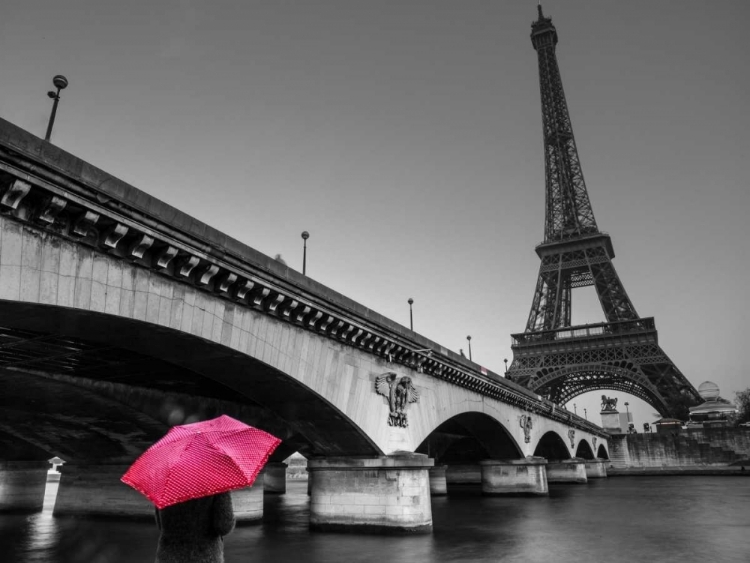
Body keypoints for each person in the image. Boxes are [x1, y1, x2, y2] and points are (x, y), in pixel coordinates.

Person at [154, 492, 235, 563]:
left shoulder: (163, 484)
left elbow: (160, 524)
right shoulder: (216, 482)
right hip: (206, 556)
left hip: (168, 557)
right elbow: (224, 526)